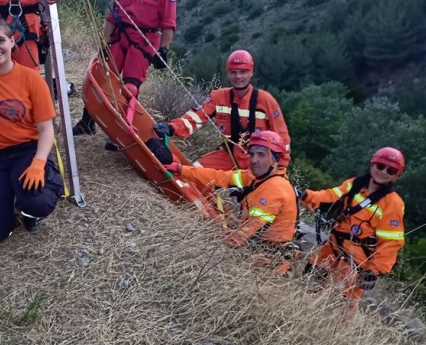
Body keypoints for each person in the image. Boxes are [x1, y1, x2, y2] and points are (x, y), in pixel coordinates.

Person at [0, 18, 64, 244]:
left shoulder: (31, 78)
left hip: (25, 152)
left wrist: (38, 163)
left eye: (0, 40)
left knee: (38, 201)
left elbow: (46, 129)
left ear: (11, 41)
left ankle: (29, 212)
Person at [73, 0, 176, 141]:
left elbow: (168, 24)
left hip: (144, 42)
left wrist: (163, 50)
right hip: (121, 39)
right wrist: (104, 43)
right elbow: (111, 19)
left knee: (129, 88)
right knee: (101, 76)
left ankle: (122, 131)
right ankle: (87, 122)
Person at [166, 130, 298, 274]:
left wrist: (222, 239)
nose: (254, 160)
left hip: (266, 265)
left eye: (261, 154)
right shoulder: (256, 176)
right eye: (252, 154)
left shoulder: (276, 188)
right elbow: (219, 177)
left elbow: (252, 228)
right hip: (256, 250)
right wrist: (182, 170)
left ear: (275, 159)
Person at [299, 147, 406, 307]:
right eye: (380, 166)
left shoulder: (393, 203)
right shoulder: (354, 184)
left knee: (343, 301)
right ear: (372, 164)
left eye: (390, 170)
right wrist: (308, 196)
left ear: (396, 176)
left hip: (358, 256)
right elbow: (331, 195)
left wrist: (374, 270)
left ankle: (339, 329)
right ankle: (302, 310)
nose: (383, 172)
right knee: (311, 277)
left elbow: (391, 243)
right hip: (334, 244)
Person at [153, 49, 291, 170]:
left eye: (243, 72)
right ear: (228, 74)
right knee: (195, 172)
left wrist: (281, 167)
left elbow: (282, 137)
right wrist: (172, 128)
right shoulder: (219, 96)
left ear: (251, 73)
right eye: (233, 72)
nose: (238, 77)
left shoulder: (266, 100)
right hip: (228, 154)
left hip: (259, 159)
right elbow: (198, 116)